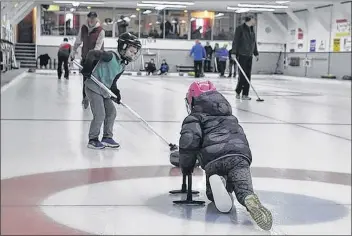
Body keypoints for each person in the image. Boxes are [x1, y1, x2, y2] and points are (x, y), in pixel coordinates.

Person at [175, 80, 273, 231]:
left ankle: (220, 183)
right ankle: (248, 198)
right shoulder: (229, 115)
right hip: (240, 156)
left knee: (212, 193)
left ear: (192, 101)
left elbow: (189, 142)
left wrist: (186, 167)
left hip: (214, 159)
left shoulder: (195, 117)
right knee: (243, 187)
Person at [80, 32, 141, 149]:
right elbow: (92, 53)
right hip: (93, 87)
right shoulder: (110, 56)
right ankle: (93, 139)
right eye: (131, 51)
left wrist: (116, 93)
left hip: (104, 90)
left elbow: (113, 82)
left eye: (135, 53)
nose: (133, 55)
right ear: (123, 48)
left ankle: (107, 137)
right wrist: (87, 68)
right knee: (100, 114)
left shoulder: (122, 65)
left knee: (111, 112)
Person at [71, 11, 105, 109]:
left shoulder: (100, 31)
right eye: (90, 17)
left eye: (94, 18)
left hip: (96, 59)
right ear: (88, 18)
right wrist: (73, 51)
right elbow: (78, 41)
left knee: (96, 80)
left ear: (96, 19)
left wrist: (92, 57)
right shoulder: (84, 28)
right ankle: (85, 98)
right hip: (85, 58)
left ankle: (97, 100)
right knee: (86, 80)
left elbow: (98, 47)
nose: (92, 19)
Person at [231, 15, 259, 100]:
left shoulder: (252, 30)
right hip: (242, 54)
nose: (255, 21)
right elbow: (235, 41)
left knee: (248, 75)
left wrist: (256, 53)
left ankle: (245, 94)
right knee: (242, 75)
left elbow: (253, 43)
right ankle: (238, 91)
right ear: (250, 19)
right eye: (254, 19)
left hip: (249, 55)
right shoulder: (240, 28)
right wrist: (234, 52)